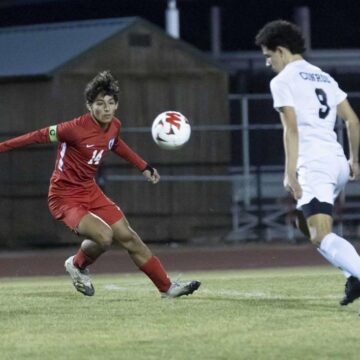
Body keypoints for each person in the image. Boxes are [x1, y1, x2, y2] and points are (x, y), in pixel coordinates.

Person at [0, 70, 201, 298]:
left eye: (110, 103)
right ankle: (77, 264)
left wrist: (144, 166)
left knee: (129, 237)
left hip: (90, 190)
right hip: (64, 197)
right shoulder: (73, 129)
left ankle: (167, 288)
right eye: (99, 103)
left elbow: (116, 144)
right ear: (89, 105)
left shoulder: (114, 125)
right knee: (104, 237)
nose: (106, 108)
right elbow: (35, 136)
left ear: (116, 105)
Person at [255, 20, 360, 305]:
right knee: (304, 221)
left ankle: (358, 273)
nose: (268, 63)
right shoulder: (323, 77)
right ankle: (352, 276)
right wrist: (354, 160)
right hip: (336, 162)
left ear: (281, 50)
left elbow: (291, 128)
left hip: (314, 164)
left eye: (268, 56)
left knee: (320, 234)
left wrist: (290, 173)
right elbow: (352, 119)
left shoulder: (283, 81)